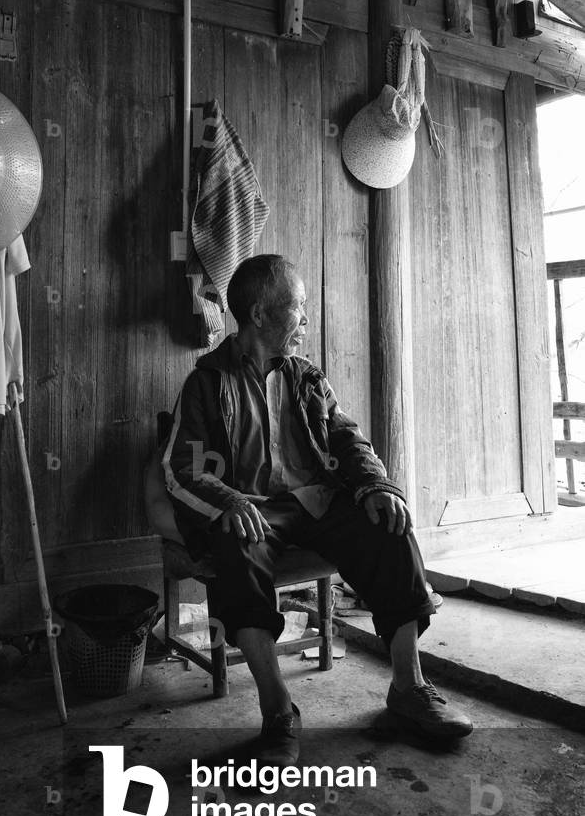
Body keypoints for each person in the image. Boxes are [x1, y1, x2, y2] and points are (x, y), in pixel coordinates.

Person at [162, 254, 472, 764]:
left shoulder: (307, 377)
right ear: (260, 314)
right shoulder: (208, 382)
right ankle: (278, 710)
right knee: (234, 549)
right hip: (257, 510)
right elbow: (182, 468)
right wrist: (229, 501)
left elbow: (347, 438)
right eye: (298, 306)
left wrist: (376, 485)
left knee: (388, 526)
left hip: (317, 502)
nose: (306, 318)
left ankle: (408, 689)